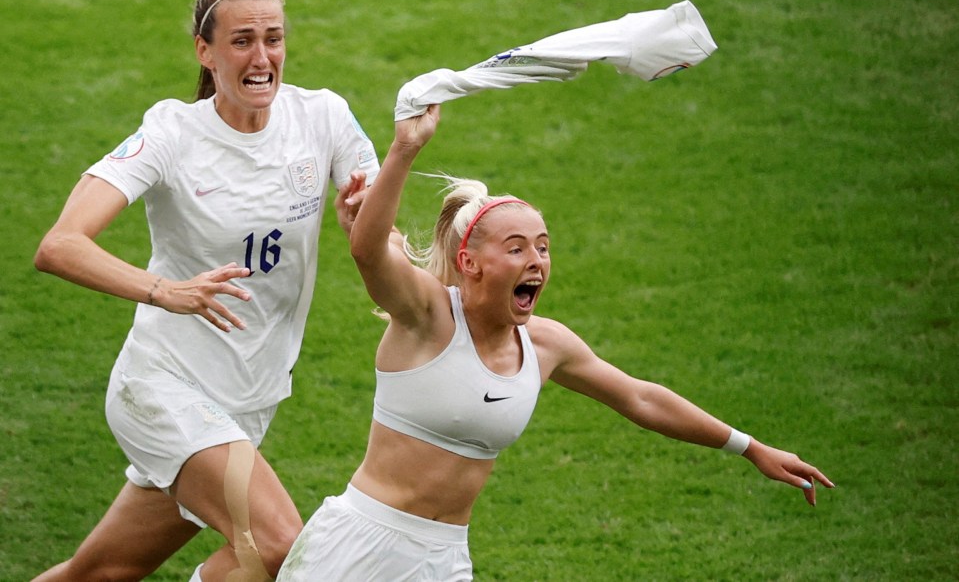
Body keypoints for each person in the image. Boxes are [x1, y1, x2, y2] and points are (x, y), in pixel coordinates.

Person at [276, 104, 835, 581]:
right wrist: (404, 149)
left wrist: (750, 447)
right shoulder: (427, 317)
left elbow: (640, 398)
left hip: (443, 560)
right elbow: (370, 252)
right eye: (516, 248)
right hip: (360, 549)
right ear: (470, 262)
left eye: (542, 247)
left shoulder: (544, 345)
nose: (536, 261)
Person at [32, 0, 382, 581]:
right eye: (242, 40)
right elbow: (61, 244)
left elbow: (379, 240)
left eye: (273, 38)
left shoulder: (324, 118)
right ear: (206, 50)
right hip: (162, 388)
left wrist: (367, 220)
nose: (262, 57)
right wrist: (165, 291)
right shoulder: (173, 132)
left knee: (99, 573)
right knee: (277, 544)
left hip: (246, 403)